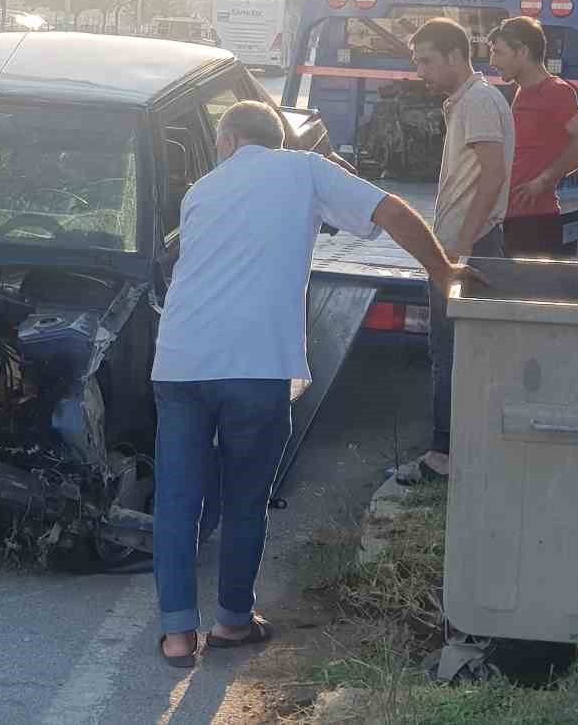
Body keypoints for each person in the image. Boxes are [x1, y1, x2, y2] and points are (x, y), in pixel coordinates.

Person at [151, 100, 477, 666]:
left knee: (179, 498)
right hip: (257, 363)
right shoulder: (304, 168)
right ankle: (231, 622)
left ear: (227, 140)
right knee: (245, 497)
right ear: (276, 139)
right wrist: (443, 269)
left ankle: (177, 634)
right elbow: (392, 210)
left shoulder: (200, 189)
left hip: (180, 360)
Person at [397, 17, 513, 485]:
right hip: (465, 243)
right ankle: (463, 449)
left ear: (454, 56)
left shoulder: (479, 102)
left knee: (449, 353)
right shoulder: (470, 100)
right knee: (461, 352)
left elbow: (493, 174)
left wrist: (460, 250)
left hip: (468, 246)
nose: (421, 71)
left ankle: (443, 457)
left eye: (426, 61)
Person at [487, 16, 578, 257]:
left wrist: (545, 180)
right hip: (514, 217)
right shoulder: (523, 90)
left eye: (498, 53)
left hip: (533, 221)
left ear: (522, 52)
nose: (493, 61)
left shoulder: (554, 91)